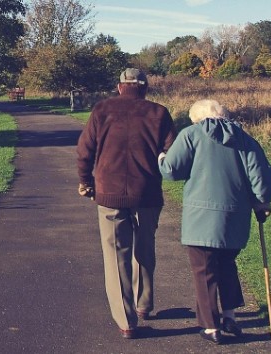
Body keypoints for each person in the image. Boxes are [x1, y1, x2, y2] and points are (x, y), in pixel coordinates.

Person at [158, 99, 271, 345]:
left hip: (200, 218)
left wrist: (161, 158)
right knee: (227, 264)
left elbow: (171, 170)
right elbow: (261, 179)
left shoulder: (191, 135)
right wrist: (262, 202)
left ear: (197, 118)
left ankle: (211, 326)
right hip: (235, 217)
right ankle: (230, 316)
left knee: (204, 270)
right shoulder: (245, 139)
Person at [76, 68, 177, 339]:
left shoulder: (102, 110)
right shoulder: (159, 113)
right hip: (147, 194)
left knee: (116, 257)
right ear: (144, 87)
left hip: (109, 193)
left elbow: (85, 150)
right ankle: (144, 304)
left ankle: (126, 321)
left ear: (119, 87)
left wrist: (85, 182)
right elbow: (172, 152)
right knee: (145, 248)